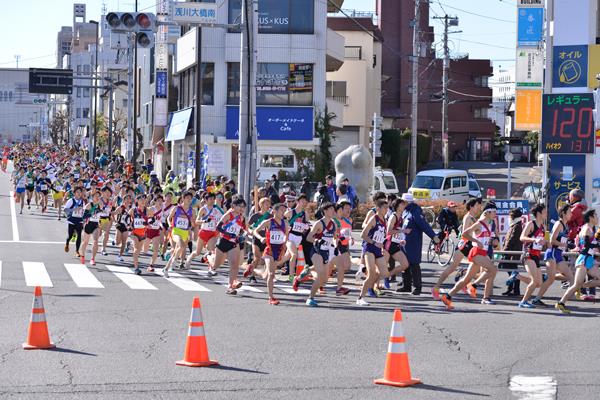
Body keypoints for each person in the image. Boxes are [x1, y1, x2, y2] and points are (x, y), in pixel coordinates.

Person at [440, 202, 499, 309]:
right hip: (476, 252)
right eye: (494, 212)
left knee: (466, 279)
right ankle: (474, 286)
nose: (496, 214)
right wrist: (476, 240)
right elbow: (464, 234)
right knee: (493, 269)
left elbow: (487, 240)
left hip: (483, 253)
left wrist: (493, 241)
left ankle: (447, 296)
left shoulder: (489, 225)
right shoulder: (479, 223)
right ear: (487, 212)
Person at [431, 198, 482, 300]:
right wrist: (476, 240)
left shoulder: (473, 218)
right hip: (465, 245)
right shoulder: (468, 217)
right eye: (477, 205)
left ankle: (464, 281)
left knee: (478, 269)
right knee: (452, 268)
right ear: (471, 207)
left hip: (470, 245)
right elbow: (464, 233)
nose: (479, 207)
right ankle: (436, 288)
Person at [293, 202, 338, 307]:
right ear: (325, 211)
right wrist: (318, 240)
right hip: (316, 251)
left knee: (325, 279)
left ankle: (306, 271)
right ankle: (310, 298)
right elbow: (309, 237)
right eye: (331, 209)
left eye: (333, 209)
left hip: (326, 251)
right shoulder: (319, 223)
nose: (333, 211)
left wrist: (335, 245)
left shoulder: (334, 223)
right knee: (321, 274)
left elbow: (334, 237)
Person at [556, 209, 600, 313]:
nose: (598, 217)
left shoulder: (590, 229)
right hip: (584, 260)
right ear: (591, 217)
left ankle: (581, 287)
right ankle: (561, 303)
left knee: (579, 284)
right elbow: (586, 245)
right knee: (576, 284)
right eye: (596, 215)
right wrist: (598, 245)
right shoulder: (586, 229)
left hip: (589, 260)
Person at [397, 193, 439, 295]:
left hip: (414, 242)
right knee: (405, 264)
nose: (401, 203)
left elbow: (424, 225)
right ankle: (406, 285)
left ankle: (417, 287)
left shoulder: (416, 211)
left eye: (403, 201)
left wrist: (433, 236)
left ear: (407, 202)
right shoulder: (405, 211)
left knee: (414, 264)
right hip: (404, 242)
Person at [250, 203, 291, 305]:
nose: (283, 212)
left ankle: (253, 269)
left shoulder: (285, 224)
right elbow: (255, 230)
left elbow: (286, 238)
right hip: (269, 250)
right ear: (275, 211)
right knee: (271, 274)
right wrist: (261, 238)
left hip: (279, 250)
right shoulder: (268, 222)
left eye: (284, 210)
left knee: (266, 275)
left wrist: (284, 249)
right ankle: (271, 297)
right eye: (281, 210)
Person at [516, 203, 548, 308]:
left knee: (538, 283)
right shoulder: (531, 224)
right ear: (538, 213)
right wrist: (534, 239)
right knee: (534, 281)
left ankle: (517, 276)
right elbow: (521, 237)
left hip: (537, 256)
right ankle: (523, 302)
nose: (546, 214)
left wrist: (545, 242)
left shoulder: (543, 226)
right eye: (544, 212)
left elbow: (544, 241)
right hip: (528, 254)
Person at [498, 208, 524, 297]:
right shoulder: (515, 224)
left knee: (512, 270)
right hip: (511, 252)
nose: (509, 217)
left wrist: (504, 251)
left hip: (512, 252)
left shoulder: (517, 225)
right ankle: (512, 289)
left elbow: (511, 240)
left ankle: (514, 290)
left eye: (510, 215)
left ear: (513, 216)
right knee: (512, 270)